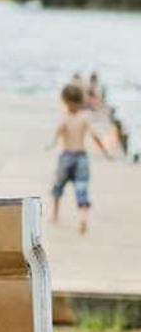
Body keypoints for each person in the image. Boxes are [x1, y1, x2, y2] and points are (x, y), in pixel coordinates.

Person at [47, 84, 112, 235]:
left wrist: (51, 144)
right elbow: (95, 136)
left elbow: (58, 132)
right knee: (81, 189)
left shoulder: (65, 116)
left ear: (65, 101)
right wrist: (106, 153)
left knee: (57, 187)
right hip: (81, 157)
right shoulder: (85, 117)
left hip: (67, 155)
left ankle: (55, 215)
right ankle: (82, 218)